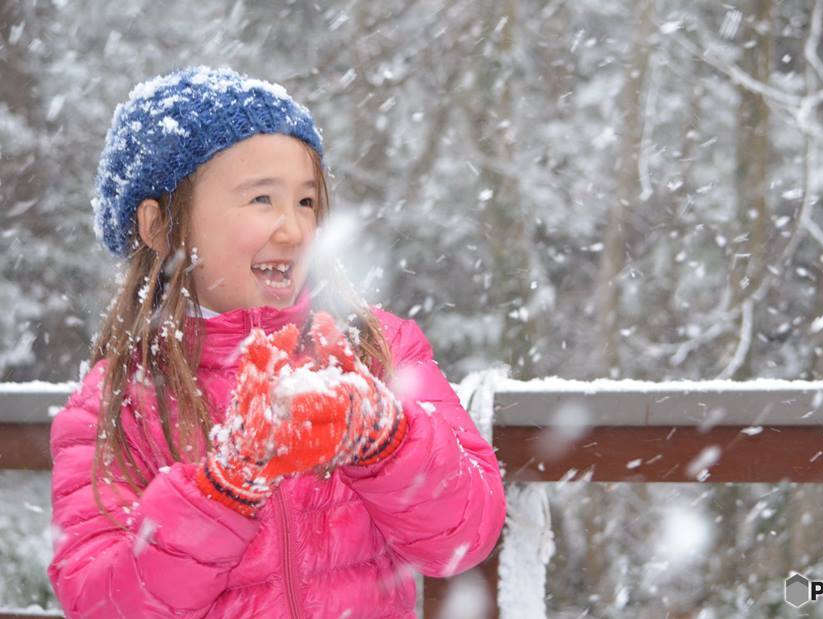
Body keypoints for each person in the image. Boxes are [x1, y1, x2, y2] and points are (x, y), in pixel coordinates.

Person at [47, 65, 506, 618]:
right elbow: (103, 602)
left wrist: (385, 437)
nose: (292, 229)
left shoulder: (378, 350)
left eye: (306, 202)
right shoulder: (117, 402)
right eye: (262, 199)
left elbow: (464, 537)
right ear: (161, 227)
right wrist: (222, 490)